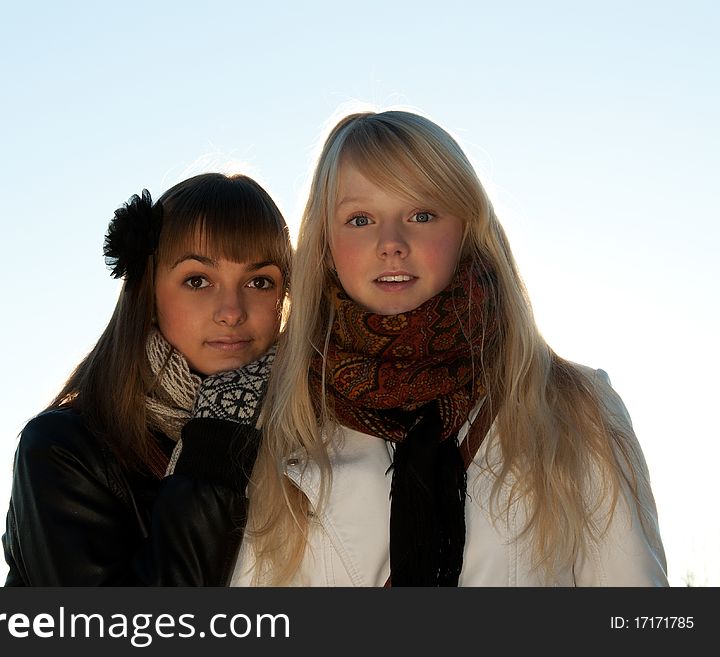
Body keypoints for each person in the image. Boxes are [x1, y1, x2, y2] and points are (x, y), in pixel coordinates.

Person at [227, 110, 668, 586]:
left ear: (467, 226)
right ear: (325, 243)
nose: (391, 243)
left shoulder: (575, 408)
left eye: (421, 214)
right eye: (359, 218)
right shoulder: (277, 419)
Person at [2, 172, 292, 585]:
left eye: (259, 281)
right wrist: (213, 444)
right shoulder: (62, 448)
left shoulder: (311, 436)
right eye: (198, 280)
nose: (232, 310)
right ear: (149, 294)